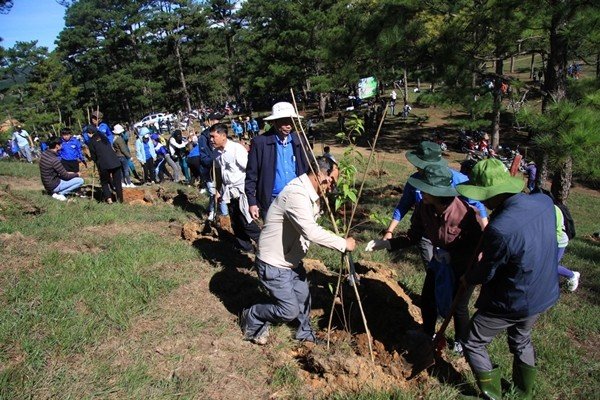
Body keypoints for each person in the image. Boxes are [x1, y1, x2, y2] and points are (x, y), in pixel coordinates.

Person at [455, 158, 559, 400]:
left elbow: (486, 271)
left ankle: (493, 395)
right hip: (543, 289)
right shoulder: (544, 202)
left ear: (491, 195)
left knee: (473, 341)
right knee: (521, 339)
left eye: (482, 195)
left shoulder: (500, 229)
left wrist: (468, 277)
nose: (480, 200)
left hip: (514, 298)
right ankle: (524, 393)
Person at [365, 164, 483, 353]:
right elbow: (414, 236)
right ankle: (427, 332)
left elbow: (478, 247)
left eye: (426, 189)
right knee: (428, 297)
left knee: (458, 305)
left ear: (438, 192)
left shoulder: (465, 215)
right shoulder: (424, 207)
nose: (421, 192)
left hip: (464, 265)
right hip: (440, 261)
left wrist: (460, 263)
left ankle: (462, 341)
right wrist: (387, 243)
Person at [240, 156, 356, 345]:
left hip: (291, 261)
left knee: (303, 298)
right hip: (274, 263)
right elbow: (310, 231)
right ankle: (252, 315)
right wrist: (343, 243)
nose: (333, 185)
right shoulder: (297, 194)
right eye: (332, 180)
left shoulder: (311, 195)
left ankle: (304, 335)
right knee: (289, 311)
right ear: (319, 174)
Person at [382, 141, 488, 266]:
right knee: (434, 268)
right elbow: (404, 205)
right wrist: (389, 232)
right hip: (426, 228)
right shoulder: (417, 189)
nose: (416, 167)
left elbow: (476, 207)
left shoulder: (457, 181)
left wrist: (485, 234)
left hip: (454, 234)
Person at [245, 102, 309, 220]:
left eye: (290, 121)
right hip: (271, 199)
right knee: (273, 236)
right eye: (284, 122)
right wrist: (252, 202)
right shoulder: (260, 143)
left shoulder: (298, 140)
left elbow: (306, 167)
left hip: (296, 197)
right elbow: (251, 174)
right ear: (274, 122)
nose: (289, 125)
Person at [210, 123, 261, 252]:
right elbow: (218, 173)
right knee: (235, 223)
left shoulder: (236, 149)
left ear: (223, 136)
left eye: (213, 137)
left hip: (242, 190)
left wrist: (254, 189)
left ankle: (265, 243)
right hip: (229, 192)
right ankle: (246, 249)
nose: (211, 140)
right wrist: (218, 190)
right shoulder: (215, 153)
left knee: (246, 220)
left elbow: (250, 169)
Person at [199, 113, 226, 221]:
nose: (218, 122)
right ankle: (212, 211)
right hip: (209, 170)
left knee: (222, 192)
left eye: (220, 120)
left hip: (222, 169)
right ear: (210, 121)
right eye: (216, 120)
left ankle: (224, 215)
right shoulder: (204, 137)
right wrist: (214, 161)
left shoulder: (223, 134)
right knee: (213, 192)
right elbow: (203, 156)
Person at [88, 126, 123, 203]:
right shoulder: (104, 137)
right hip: (115, 162)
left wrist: (94, 160)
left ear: (90, 133)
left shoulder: (91, 142)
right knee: (118, 183)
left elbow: (94, 157)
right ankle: (120, 200)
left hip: (104, 164)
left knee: (104, 182)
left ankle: (109, 199)